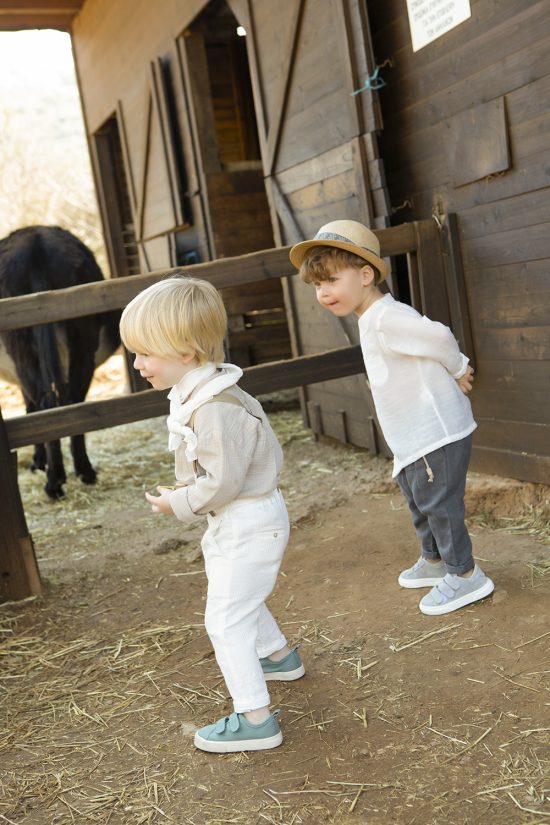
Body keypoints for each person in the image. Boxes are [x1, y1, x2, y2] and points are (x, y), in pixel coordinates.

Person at [119, 276, 304, 753]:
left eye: (145, 353)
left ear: (185, 351)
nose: (137, 364)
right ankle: (279, 657)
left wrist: (177, 502)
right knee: (237, 595)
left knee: (224, 620)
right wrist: (185, 488)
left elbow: (222, 482)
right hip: (240, 520)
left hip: (247, 521)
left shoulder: (217, 408)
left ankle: (256, 717)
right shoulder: (206, 392)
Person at [289, 220, 494, 616]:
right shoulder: (371, 317)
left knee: (438, 504)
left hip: (436, 433)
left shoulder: (386, 317)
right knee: (419, 499)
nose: (324, 292)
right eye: (317, 285)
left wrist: (457, 367)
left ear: (366, 275)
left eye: (331, 279)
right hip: (412, 436)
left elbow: (438, 336)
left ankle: (466, 575)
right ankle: (434, 562)